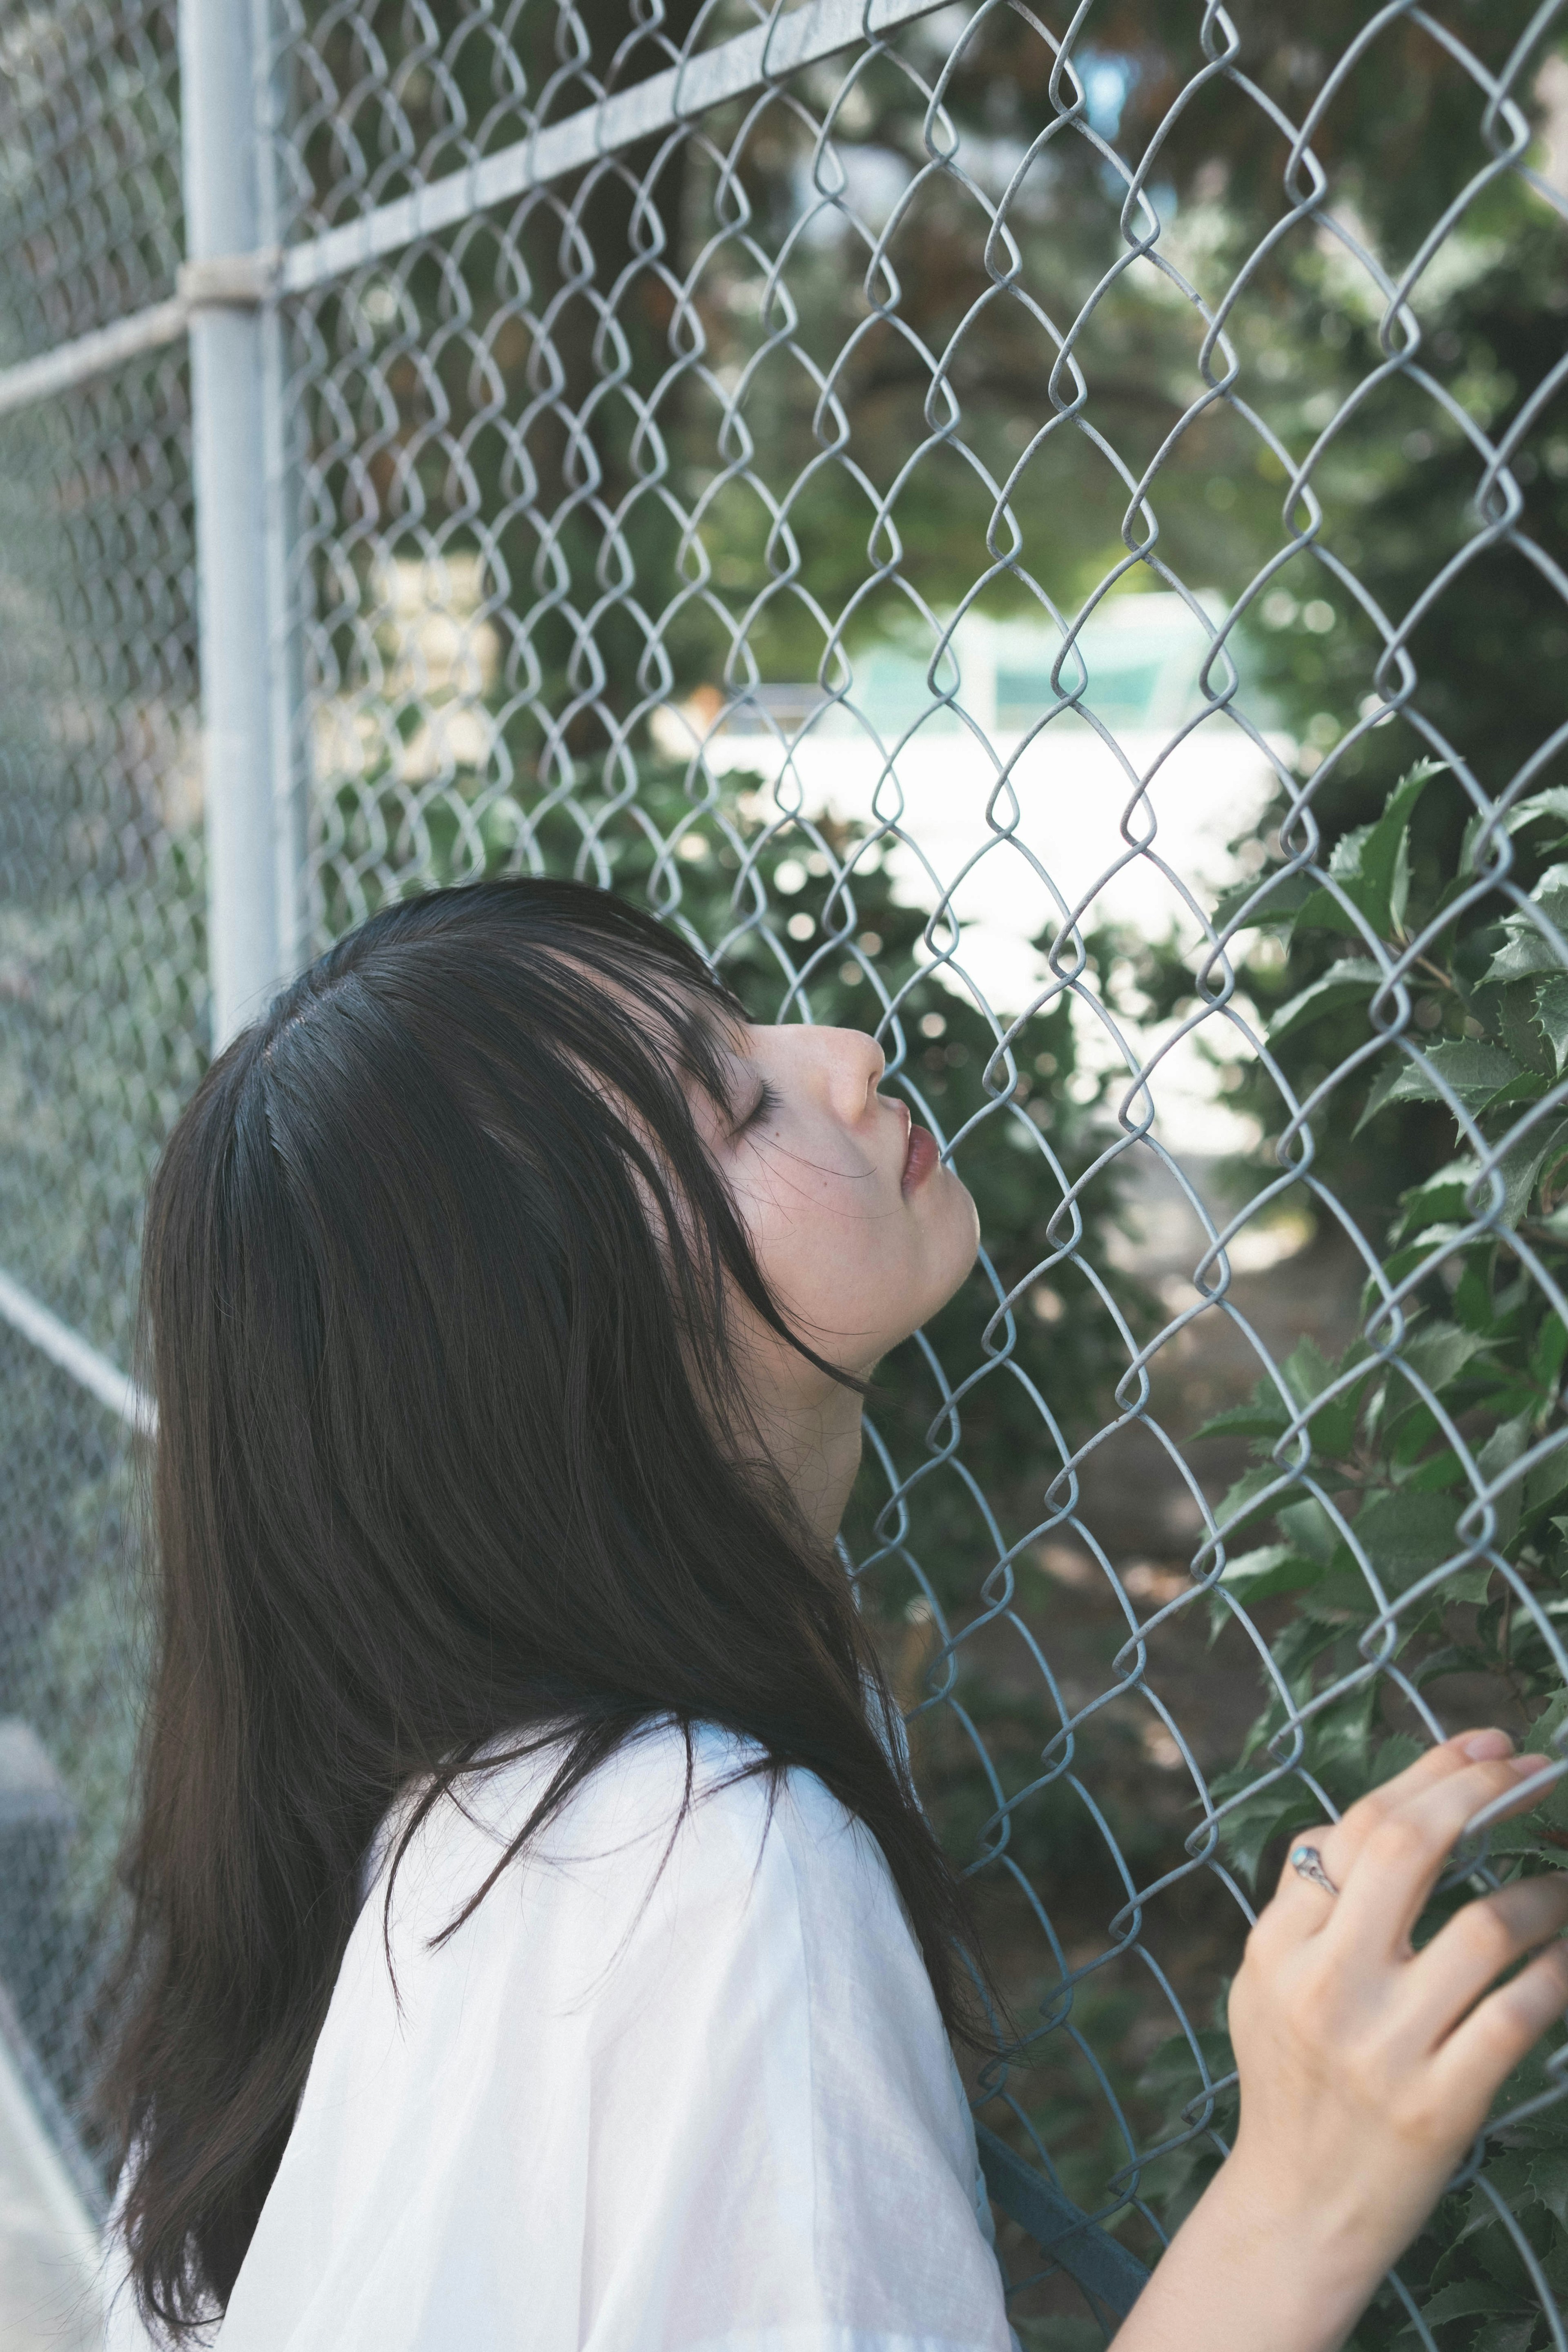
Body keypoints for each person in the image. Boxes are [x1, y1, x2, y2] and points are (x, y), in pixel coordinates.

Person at [102, 876, 1568, 2351]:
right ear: (572, 1347)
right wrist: (1299, 2194)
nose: (848, 1051)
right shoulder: (711, 1860)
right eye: (736, 1109)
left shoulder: (401, 1772)